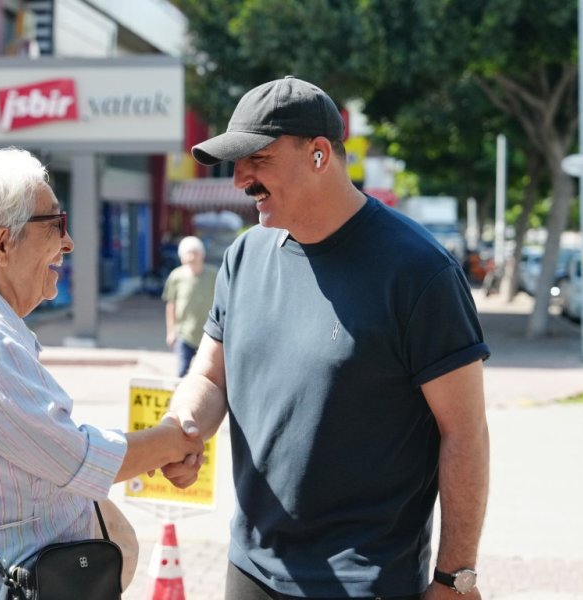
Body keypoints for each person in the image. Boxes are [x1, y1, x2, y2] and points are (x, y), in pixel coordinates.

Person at [160, 76, 491, 599]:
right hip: (250, 569)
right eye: (235, 163)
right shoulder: (245, 258)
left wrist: (455, 577)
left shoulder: (418, 273)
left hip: (366, 581)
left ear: (318, 154)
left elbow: (466, 434)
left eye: (257, 159)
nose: (239, 179)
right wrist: (183, 427)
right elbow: (208, 374)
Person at [0, 147, 203, 599]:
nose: (68, 242)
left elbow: (44, 446)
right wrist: (173, 440)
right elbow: (75, 459)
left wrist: (153, 451)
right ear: (2, 244)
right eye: (55, 224)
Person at [162, 235, 218, 376]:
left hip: (208, 333)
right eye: (188, 253)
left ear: (202, 254)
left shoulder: (213, 275)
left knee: (207, 373)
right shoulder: (176, 276)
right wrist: (171, 331)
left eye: (195, 252)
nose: (192, 257)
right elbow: (171, 305)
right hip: (184, 333)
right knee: (182, 371)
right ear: (182, 256)